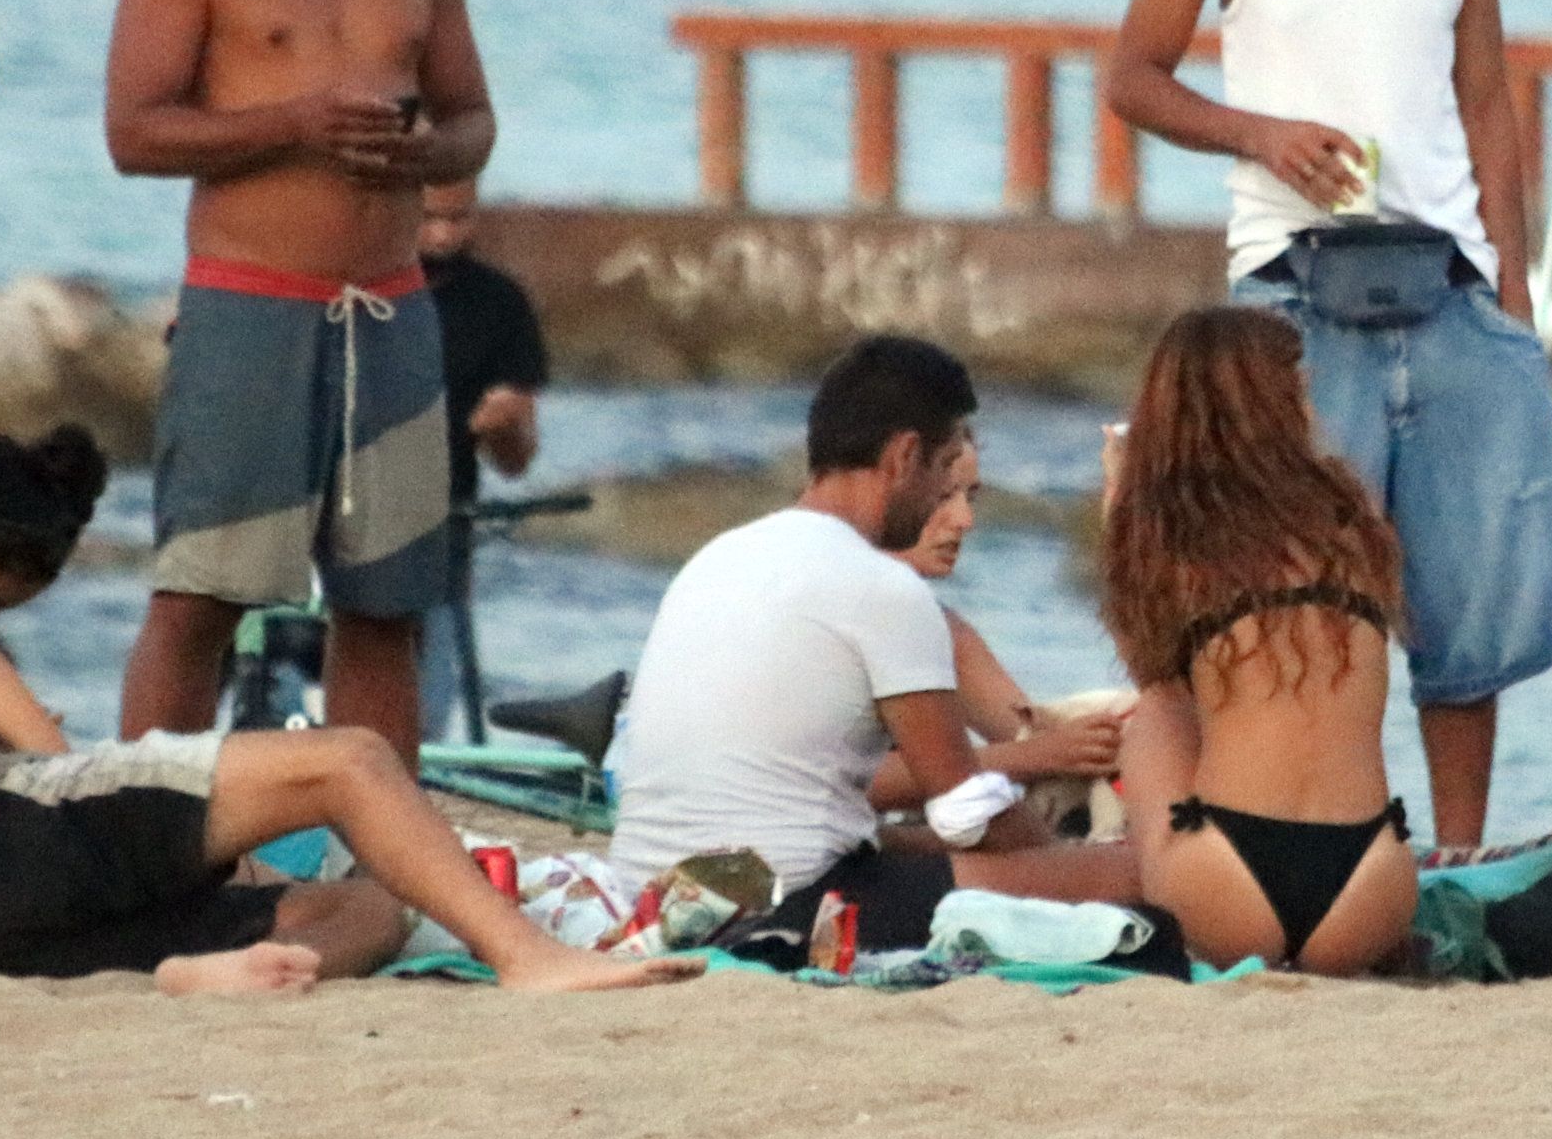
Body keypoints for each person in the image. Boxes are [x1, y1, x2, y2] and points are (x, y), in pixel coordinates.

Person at [1105, 0, 1552, 849]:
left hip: (1450, 287)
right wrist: (1261, 135)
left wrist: (1512, 297)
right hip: (1293, 300)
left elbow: (1486, 100)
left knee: (1468, 616)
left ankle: (1457, 856)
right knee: (1300, 596)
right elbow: (1134, 78)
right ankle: (1328, 832)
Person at [0, 424, 670, 994]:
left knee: (364, 913)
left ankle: (192, 975)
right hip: (8, 833)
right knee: (347, 761)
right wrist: (193, 834)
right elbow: (37, 752)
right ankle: (531, 958)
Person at [107, 0, 492, 766]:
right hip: (250, 305)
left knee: (387, 603)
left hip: (392, 308)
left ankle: (380, 854)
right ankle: (141, 828)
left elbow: (473, 119)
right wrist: (294, 124)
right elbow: (133, 132)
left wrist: (420, 157)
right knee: (202, 594)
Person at [604, 336, 1139, 949]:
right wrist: (1058, 860)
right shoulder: (883, 585)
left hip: (648, 891)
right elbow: (965, 808)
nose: (948, 503)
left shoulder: (719, 555)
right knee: (1118, 870)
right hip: (784, 906)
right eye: (944, 474)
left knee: (923, 847)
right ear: (906, 456)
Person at [1098, 308, 1420, 973]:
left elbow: (1150, 672)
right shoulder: (1348, 516)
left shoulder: (1175, 529)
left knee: (1158, 708)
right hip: (1373, 880)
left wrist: (1118, 500)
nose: (1309, 399)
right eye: (1297, 387)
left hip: (1231, 882)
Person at [873, 451, 1130, 838]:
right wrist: (1039, 756)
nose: (965, 520)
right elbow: (846, 784)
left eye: (970, 498)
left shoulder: (941, 631)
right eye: (942, 497)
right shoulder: (828, 614)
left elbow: (1026, 728)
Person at [416, 176, 552, 742]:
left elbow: (517, 463)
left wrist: (503, 427)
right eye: (430, 217)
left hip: (445, 521)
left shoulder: (498, 302)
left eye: (459, 216)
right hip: (341, 510)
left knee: (430, 706)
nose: (446, 233)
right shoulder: (359, 286)